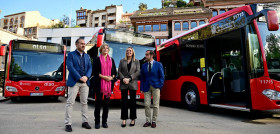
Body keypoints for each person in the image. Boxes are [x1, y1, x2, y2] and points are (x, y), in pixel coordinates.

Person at [65, 38, 92, 132]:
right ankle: (68, 123)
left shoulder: (87, 56)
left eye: (84, 44)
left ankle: (85, 122)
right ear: (76, 45)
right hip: (74, 82)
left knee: (84, 103)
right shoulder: (71, 55)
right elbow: (70, 67)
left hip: (85, 83)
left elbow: (90, 67)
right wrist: (79, 77)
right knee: (70, 103)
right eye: (81, 43)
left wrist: (87, 77)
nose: (83, 45)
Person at [93, 44, 117, 129]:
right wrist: (104, 77)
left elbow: (114, 72)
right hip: (99, 84)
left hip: (109, 85)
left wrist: (111, 77)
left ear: (108, 50)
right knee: (98, 104)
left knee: (106, 105)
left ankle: (104, 122)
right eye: (104, 48)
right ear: (101, 50)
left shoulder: (112, 60)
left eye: (107, 48)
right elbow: (95, 72)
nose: (105, 49)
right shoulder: (97, 59)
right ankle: (97, 122)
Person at [140, 50, 164, 128]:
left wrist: (159, 86)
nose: (145, 56)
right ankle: (148, 121)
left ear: (151, 55)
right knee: (147, 104)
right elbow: (142, 78)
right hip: (146, 86)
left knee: (156, 105)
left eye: (147, 54)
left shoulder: (158, 64)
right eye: (145, 54)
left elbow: (162, 76)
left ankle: (154, 121)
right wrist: (142, 88)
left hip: (156, 86)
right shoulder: (143, 65)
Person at [118, 47, 140, 128]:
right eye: (127, 51)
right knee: (124, 102)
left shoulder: (136, 61)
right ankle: (124, 119)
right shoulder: (121, 61)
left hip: (132, 83)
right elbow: (119, 71)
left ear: (133, 52)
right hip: (124, 83)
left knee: (133, 102)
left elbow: (138, 72)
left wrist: (130, 78)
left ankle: (133, 119)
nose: (128, 52)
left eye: (130, 51)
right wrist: (123, 78)